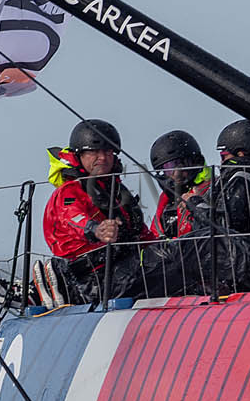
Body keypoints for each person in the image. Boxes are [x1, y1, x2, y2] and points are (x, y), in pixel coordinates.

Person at [42, 119, 152, 303]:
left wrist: (167, 246)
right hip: (91, 278)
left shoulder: (117, 191)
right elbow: (72, 217)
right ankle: (54, 287)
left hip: (124, 266)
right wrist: (96, 229)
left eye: (108, 151)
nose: (102, 157)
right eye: (94, 152)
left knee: (176, 256)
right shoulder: (69, 191)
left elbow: (142, 235)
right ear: (79, 155)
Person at [147, 129, 213, 240]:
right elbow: (152, 241)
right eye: (168, 169)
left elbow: (220, 226)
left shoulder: (213, 191)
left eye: (180, 164)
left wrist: (196, 204)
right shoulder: (165, 204)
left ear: (196, 162)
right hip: (172, 256)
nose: (176, 174)